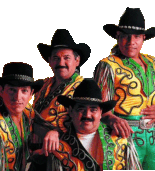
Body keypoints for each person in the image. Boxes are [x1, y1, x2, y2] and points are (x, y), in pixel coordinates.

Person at [94, 7, 155, 170]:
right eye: (125, 37)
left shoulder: (153, 62)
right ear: (117, 36)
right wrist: (113, 119)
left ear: (143, 38)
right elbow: (97, 107)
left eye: (136, 37)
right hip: (122, 138)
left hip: (152, 137)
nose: (131, 42)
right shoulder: (108, 65)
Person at [29, 29, 91, 169]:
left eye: (66, 58)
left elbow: (88, 125)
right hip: (35, 154)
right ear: (50, 61)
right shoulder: (43, 84)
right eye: (56, 58)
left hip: (66, 157)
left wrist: (56, 131)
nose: (61, 62)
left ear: (77, 60)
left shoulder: (85, 88)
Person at [49, 79, 139, 170]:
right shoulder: (59, 148)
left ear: (101, 113)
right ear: (71, 111)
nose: (87, 115)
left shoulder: (119, 139)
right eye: (81, 109)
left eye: (93, 109)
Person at [0, 62, 43, 171]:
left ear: (31, 93)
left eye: (24, 91)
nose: (17, 97)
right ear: (1, 90)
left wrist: (53, 133)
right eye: (12, 90)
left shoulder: (27, 110)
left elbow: (46, 126)